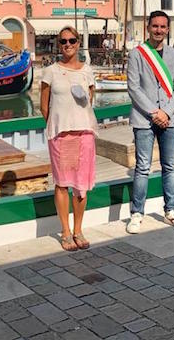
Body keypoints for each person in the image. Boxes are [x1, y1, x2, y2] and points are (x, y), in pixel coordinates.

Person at [126, 10, 174, 233]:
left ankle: (170, 210)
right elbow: (133, 87)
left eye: (163, 27)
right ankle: (136, 213)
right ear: (148, 27)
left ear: (168, 29)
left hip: (169, 118)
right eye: (155, 26)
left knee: (169, 166)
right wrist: (155, 112)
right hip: (144, 118)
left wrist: (167, 112)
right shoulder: (137, 54)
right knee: (142, 167)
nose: (159, 30)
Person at [40, 25, 97, 251]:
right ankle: (65, 231)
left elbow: (90, 101)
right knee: (62, 183)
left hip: (84, 133)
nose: (68, 45)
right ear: (58, 44)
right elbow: (44, 106)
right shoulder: (50, 71)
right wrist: (57, 124)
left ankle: (78, 230)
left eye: (72, 41)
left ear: (78, 43)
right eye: (63, 41)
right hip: (61, 135)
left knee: (81, 185)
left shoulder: (87, 71)